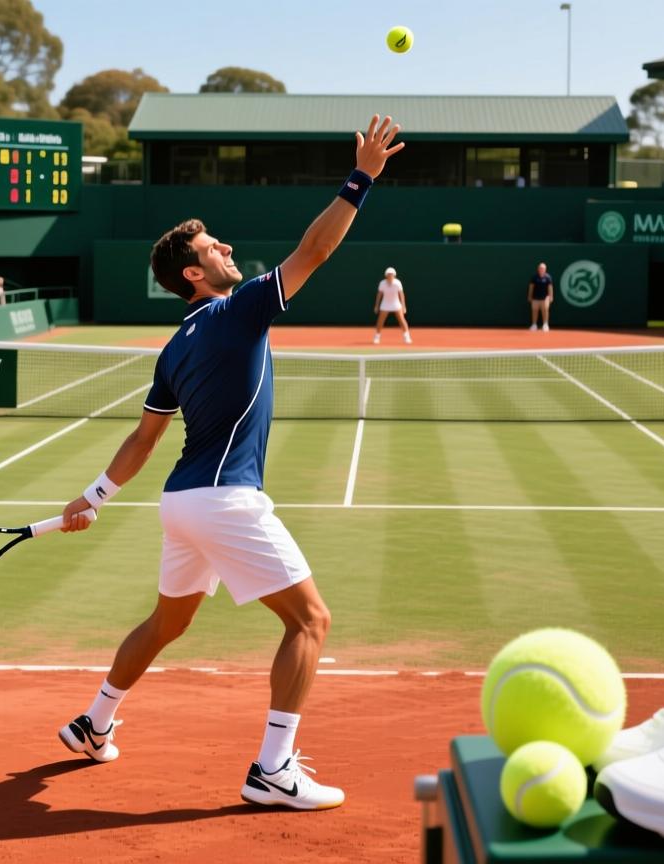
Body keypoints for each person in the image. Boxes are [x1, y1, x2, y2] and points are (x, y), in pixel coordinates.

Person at [56, 115, 404, 811]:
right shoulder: (237, 310)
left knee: (166, 624)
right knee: (310, 622)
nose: (227, 247)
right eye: (213, 246)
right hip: (223, 499)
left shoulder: (174, 347)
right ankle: (273, 769)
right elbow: (315, 250)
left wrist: (92, 496)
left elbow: (143, 441)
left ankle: (94, 723)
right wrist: (360, 178)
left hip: (183, 503)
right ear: (194, 273)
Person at [372, 266, 411, 344]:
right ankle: (377, 337)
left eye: (391, 274)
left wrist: (403, 306)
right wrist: (376, 306)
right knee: (380, 321)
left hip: (396, 304)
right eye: (388, 274)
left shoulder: (398, 283)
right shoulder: (382, 283)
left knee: (402, 320)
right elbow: (379, 295)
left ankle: (407, 337)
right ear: (386, 275)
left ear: (394, 275)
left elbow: (401, 295)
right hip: (385, 304)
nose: (390, 276)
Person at [527, 262, 553, 331]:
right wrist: (530, 296)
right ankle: (534, 325)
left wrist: (550, 296)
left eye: (543, 268)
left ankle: (545, 325)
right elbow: (531, 287)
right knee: (534, 311)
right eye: (540, 268)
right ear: (538, 269)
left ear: (545, 269)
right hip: (535, 298)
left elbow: (550, 288)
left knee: (545, 311)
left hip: (545, 298)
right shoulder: (534, 277)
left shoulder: (548, 277)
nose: (541, 269)